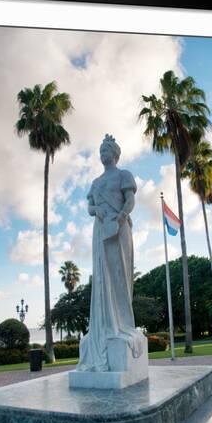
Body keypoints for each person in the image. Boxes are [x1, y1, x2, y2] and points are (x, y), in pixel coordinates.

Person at [76, 134, 145, 372]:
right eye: (100, 150)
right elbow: (89, 207)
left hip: (119, 228)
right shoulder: (95, 182)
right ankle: (105, 325)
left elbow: (130, 199)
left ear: (115, 153)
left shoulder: (124, 175)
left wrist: (121, 217)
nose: (102, 153)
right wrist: (98, 212)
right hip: (101, 231)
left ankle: (123, 323)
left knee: (120, 276)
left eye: (106, 149)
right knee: (103, 276)